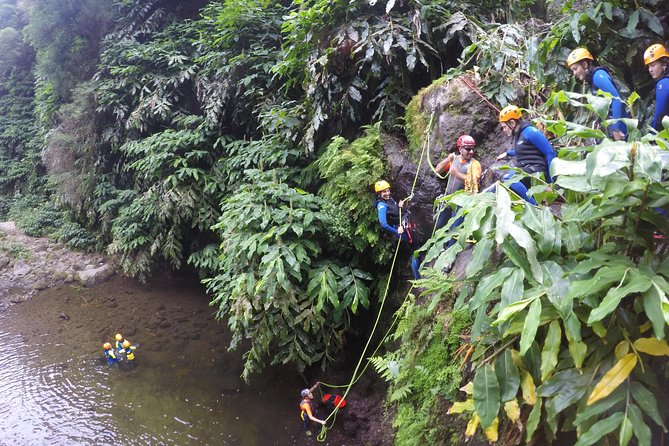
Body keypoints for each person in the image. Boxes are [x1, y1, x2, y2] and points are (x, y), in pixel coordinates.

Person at [496, 105, 557, 206]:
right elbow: (522, 150)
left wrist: (551, 182)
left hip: (538, 170)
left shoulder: (530, 132)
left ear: (512, 122)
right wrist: (507, 153)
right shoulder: (518, 134)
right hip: (528, 169)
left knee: (508, 178)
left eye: (504, 127)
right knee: (505, 179)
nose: (504, 130)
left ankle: (533, 207)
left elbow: (550, 153)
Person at [566, 47, 628, 140]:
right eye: (572, 70)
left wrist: (616, 129)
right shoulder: (592, 80)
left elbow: (616, 100)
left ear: (584, 64)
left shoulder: (598, 76)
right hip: (612, 127)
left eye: (575, 69)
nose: (574, 73)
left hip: (620, 128)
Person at [434, 135, 482, 231]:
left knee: (454, 229)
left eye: (472, 149)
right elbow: (437, 170)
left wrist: (456, 174)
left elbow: (473, 182)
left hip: (461, 202)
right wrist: (448, 160)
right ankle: (441, 245)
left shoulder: (474, 164)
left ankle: (451, 245)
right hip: (448, 199)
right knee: (439, 226)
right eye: (468, 149)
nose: (471, 152)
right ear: (460, 149)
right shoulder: (454, 160)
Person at [374, 180, 421, 279]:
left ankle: (421, 269)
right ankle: (418, 278)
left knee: (417, 246)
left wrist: (399, 206)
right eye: (384, 192)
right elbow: (383, 224)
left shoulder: (389, 199)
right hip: (402, 230)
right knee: (415, 250)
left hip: (406, 224)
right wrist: (397, 231)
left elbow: (395, 210)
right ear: (379, 194)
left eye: (387, 190)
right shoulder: (381, 206)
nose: (387, 193)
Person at [643, 43, 669, 131]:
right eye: (649, 66)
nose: (650, 70)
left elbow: (660, 114)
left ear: (664, 64)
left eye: (653, 65)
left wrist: (654, 137)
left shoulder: (663, 83)